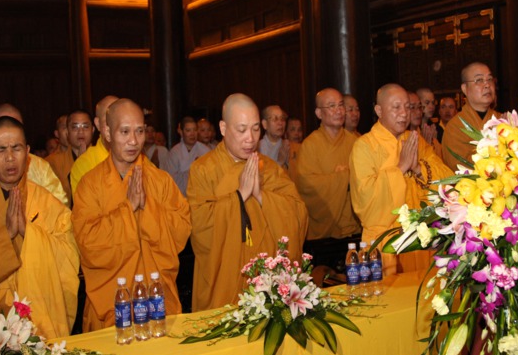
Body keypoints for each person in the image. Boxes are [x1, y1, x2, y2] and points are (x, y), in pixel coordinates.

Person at [72, 99, 191, 331]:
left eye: (140, 131)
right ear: (107, 132)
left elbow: (181, 232)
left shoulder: (161, 181)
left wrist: (148, 208)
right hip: (112, 303)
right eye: (125, 132)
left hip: (158, 300)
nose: (134, 141)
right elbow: (87, 243)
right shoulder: (90, 185)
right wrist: (128, 209)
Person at [187, 93, 308, 312]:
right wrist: (240, 195)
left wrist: (261, 196)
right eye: (242, 130)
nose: (250, 138)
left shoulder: (270, 169)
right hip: (223, 283)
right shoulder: (203, 170)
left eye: (255, 129)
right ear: (223, 128)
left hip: (268, 285)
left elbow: (298, 214)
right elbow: (200, 227)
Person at [0, 116, 79, 339]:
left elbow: (69, 258)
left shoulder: (47, 202)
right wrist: (5, 235)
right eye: (0, 150)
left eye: (16, 148)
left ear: (27, 153)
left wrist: (29, 232)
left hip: (38, 318)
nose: (10, 158)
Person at [349, 84, 453, 274]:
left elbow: (447, 179)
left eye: (408, 107)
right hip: (385, 242)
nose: (404, 113)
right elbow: (365, 200)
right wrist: (401, 168)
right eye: (396, 107)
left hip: (420, 238)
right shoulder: (364, 146)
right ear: (379, 111)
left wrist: (418, 168)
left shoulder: (416, 141)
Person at [0, 104, 68, 207]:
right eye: (2, 126)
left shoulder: (40, 167)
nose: (10, 157)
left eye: (15, 125)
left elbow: (60, 208)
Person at [296, 88, 361, 240]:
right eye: (332, 106)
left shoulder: (355, 142)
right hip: (325, 233)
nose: (339, 110)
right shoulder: (310, 145)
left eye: (341, 105)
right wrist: (344, 177)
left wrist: (346, 177)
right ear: (319, 113)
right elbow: (306, 186)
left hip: (355, 227)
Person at [441, 63, 499, 170]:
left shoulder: (502, 120)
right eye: (479, 80)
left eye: (490, 79)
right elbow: (458, 166)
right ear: (465, 89)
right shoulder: (455, 127)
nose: (487, 85)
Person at [70, 95, 118, 196]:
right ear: (98, 124)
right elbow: (85, 204)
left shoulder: (140, 160)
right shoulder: (84, 164)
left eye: (121, 120)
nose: (116, 126)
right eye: (108, 120)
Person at [47, 110, 94, 204]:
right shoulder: (52, 162)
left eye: (85, 126)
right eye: (75, 127)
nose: (81, 131)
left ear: (93, 130)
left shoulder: (105, 157)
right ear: (68, 132)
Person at [166, 116, 210, 196]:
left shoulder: (205, 151)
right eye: (188, 130)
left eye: (194, 130)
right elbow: (170, 180)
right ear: (181, 132)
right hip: (180, 197)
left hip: (201, 196)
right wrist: (193, 168)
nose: (192, 134)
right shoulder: (175, 152)